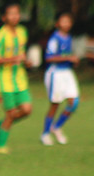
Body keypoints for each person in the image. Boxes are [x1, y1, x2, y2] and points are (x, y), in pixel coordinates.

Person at [0, 2, 31, 155]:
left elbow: (21, 54)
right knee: (11, 114)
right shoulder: (1, 36)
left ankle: (0, 125)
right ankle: (0, 146)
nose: (15, 16)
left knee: (27, 110)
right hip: (3, 81)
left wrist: (26, 61)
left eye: (17, 13)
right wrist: (12, 59)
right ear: (4, 17)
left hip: (19, 79)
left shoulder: (22, 32)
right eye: (11, 14)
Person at [40, 11, 81, 146]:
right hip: (55, 73)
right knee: (55, 105)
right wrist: (68, 58)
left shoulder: (69, 38)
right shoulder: (55, 39)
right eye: (63, 21)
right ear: (57, 24)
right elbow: (49, 58)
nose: (66, 24)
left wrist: (73, 60)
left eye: (68, 21)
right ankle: (45, 133)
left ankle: (56, 127)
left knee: (74, 102)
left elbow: (66, 55)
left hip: (67, 72)